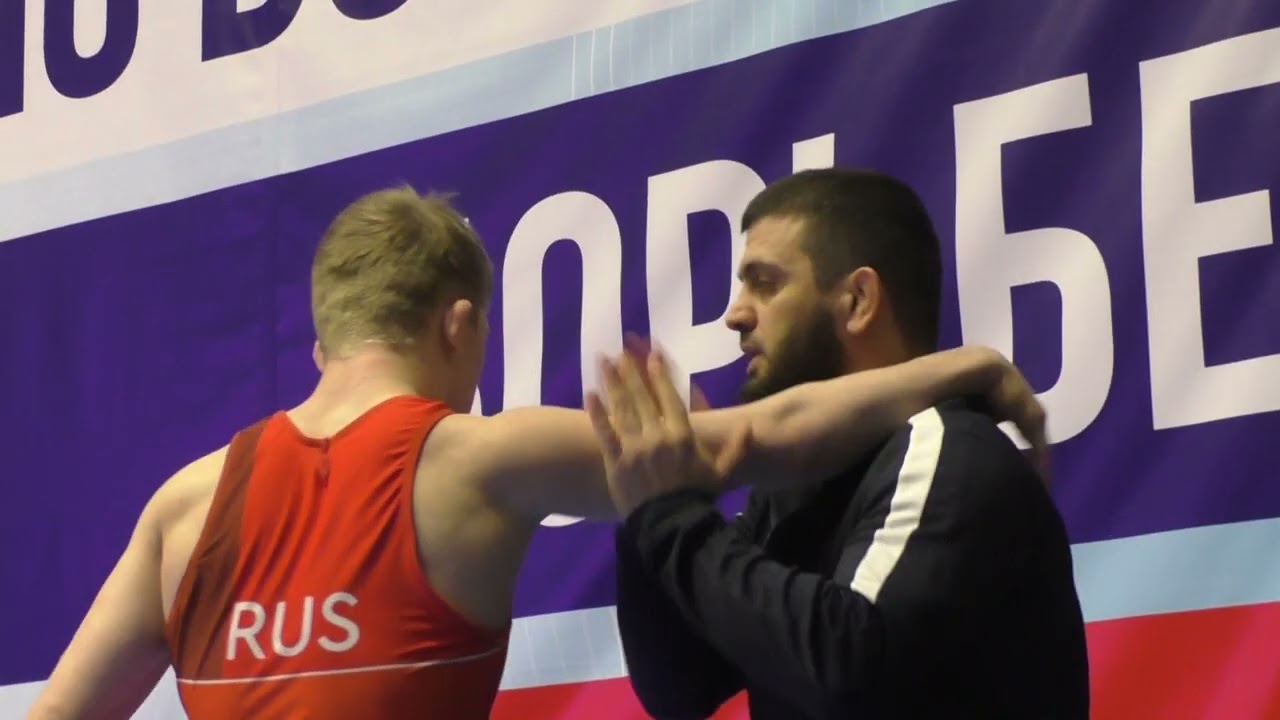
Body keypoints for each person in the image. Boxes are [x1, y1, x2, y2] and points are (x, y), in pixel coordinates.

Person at [27, 185, 1049, 720]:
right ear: (459, 325)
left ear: (323, 342)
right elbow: (755, 436)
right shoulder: (474, 460)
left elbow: (64, 712)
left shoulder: (182, 507)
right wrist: (958, 365)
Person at [598, 168, 1090, 719]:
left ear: (858, 300)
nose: (735, 314)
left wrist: (672, 518)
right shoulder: (797, 488)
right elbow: (682, 686)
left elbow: (850, 666)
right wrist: (648, 514)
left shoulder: (950, 450)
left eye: (765, 283)